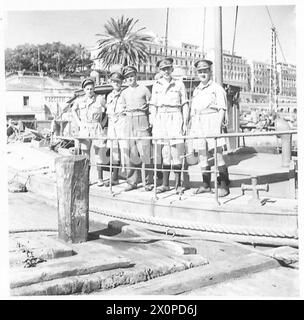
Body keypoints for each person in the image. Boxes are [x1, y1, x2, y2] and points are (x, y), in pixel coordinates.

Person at [188, 59, 230, 197]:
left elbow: (223, 108)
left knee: (217, 155)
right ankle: (206, 185)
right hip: (199, 124)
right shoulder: (197, 90)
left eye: (205, 71)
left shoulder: (216, 88)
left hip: (212, 121)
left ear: (210, 72)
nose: (202, 74)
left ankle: (224, 185)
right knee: (202, 156)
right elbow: (194, 110)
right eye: (200, 71)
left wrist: (217, 127)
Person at [149, 57, 189, 194]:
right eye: (163, 69)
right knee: (165, 152)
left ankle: (178, 185)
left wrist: (184, 122)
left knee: (176, 152)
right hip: (161, 118)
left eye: (168, 68)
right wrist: (154, 122)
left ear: (172, 69)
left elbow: (185, 104)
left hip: (175, 116)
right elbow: (153, 105)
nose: (166, 71)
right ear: (160, 71)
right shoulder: (156, 85)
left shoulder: (179, 84)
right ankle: (165, 184)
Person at [120, 65, 154, 192]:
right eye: (127, 77)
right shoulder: (124, 92)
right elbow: (122, 109)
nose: (130, 78)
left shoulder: (144, 89)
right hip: (129, 121)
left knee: (145, 153)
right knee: (131, 153)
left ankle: (147, 182)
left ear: (136, 76)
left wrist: (151, 122)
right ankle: (132, 181)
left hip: (142, 119)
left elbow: (151, 106)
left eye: (132, 76)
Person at [71, 78, 107, 186]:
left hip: (96, 127)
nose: (90, 91)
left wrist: (103, 123)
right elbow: (73, 110)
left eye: (91, 88)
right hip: (85, 128)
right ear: (84, 90)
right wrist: (79, 123)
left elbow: (108, 110)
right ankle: (87, 179)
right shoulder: (79, 100)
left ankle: (100, 179)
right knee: (86, 155)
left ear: (94, 89)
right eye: (87, 89)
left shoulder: (100, 99)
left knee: (99, 154)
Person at [104, 71, 126, 187]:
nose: (116, 83)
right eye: (114, 81)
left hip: (122, 122)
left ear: (122, 82)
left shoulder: (125, 94)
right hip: (112, 123)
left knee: (124, 149)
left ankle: (129, 177)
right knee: (114, 150)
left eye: (118, 81)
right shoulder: (109, 96)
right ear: (111, 82)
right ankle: (115, 177)